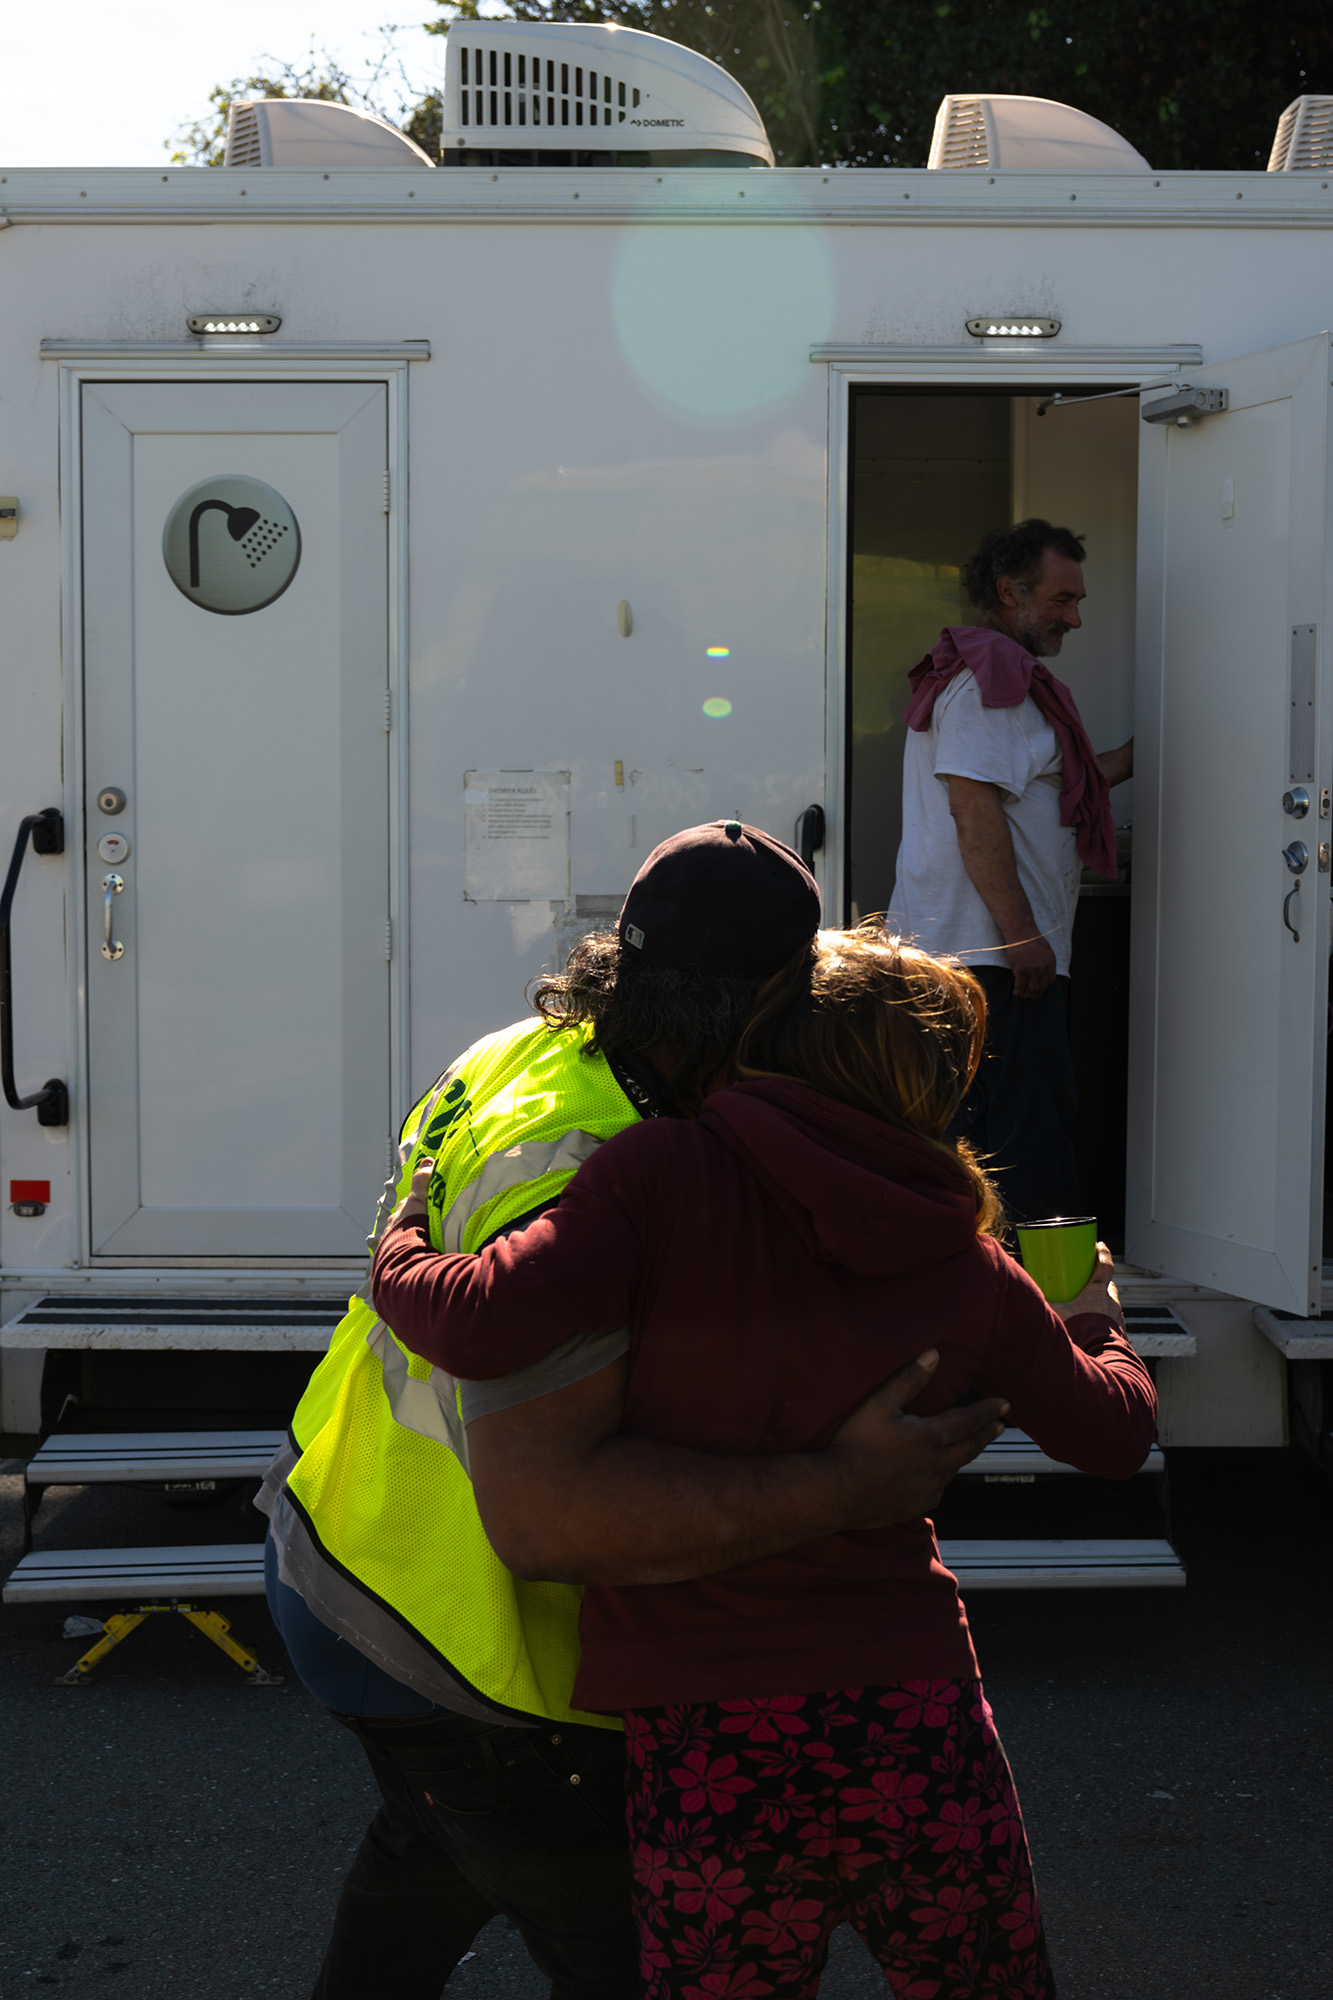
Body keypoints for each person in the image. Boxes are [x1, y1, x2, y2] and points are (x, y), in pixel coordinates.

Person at [257, 821, 1009, 2000]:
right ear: (767, 1003)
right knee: (624, 1952)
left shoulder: (534, 1047)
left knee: (436, 1843)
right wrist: (850, 1484)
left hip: (343, 1543)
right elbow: (555, 1520)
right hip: (469, 1640)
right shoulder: (615, 1161)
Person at [371, 926, 1156, 1999]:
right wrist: (1093, 1321)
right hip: (912, 1715)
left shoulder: (656, 1176)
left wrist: (401, 1244)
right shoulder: (963, 1261)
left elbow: (477, 1319)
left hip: (708, 1735)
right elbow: (1114, 1434)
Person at [889, 518, 1134, 1225]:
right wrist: (1021, 936)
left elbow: (1050, 788)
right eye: (1061, 600)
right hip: (989, 959)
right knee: (1023, 1149)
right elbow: (972, 806)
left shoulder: (995, 682)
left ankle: (998, 1301)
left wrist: (1172, 738)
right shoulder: (992, 684)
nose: (1076, 617)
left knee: (992, 1142)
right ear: (1009, 592)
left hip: (981, 954)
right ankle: (1037, 1311)